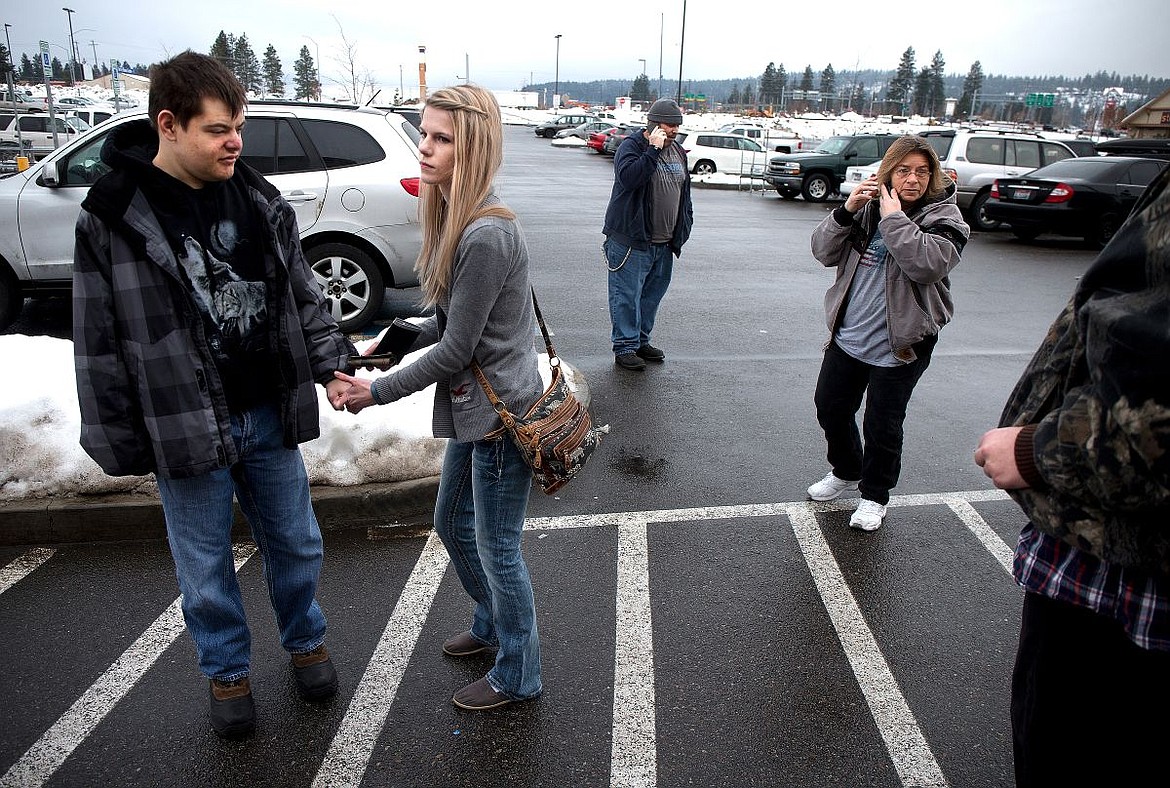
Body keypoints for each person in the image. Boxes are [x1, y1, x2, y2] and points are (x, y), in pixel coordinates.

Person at [72, 51, 353, 738]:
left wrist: (332, 365)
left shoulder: (258, 198)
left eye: (240, 127)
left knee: (297, 543)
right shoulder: (113, 216)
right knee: (203, 565)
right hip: (182, 422)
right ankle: (227, 676)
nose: (236, 142)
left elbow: (301, 296)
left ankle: (305, 641)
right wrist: (117, 435)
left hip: (267, 411)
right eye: (220, 129)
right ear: (169, 124)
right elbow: (98, 340)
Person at [333, 84, 544, 711]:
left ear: (472, 146)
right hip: (478, 409)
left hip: (502, 415)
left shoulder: (485, 234)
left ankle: (519, 670)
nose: (423, 148)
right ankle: (490, 623)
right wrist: (392, 339)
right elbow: (453, 324)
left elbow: (456, 352)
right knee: (452, 522)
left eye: (441, 138)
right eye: (423, 134)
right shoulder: (461, 216)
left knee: (497, 545)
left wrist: (376, 392)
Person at [975, 165, 1170, 786]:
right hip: (1117, 559)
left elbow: (1150, 413)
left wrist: (1036, 451)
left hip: (1124, 566)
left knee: (1070, 754)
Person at [806, 136, 969, 531]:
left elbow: (927, 266)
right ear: (888, 172)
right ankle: (846, 470)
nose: (913, 179)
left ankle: (875, 496)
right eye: (904, 170)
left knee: (883, 423)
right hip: (849, 335)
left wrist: (894, 220)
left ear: (931, 177)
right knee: (831, 407)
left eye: (922, 171)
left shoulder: (945, 219)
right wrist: (845, 211)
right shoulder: (866, 211)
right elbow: (822, 252)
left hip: (902, 343)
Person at [602, 98, 693, 371]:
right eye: (669, 124)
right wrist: (652, 150)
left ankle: (641, 340)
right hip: (631, 240)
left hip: (664, 243)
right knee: (626, 295)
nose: (675, 130)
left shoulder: (678, 152)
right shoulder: (632, 147)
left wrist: (684, 225)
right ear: (654, 124)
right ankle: (625, 346)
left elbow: (684, 194)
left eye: (677, 125)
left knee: (651, 296)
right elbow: (630, 179)